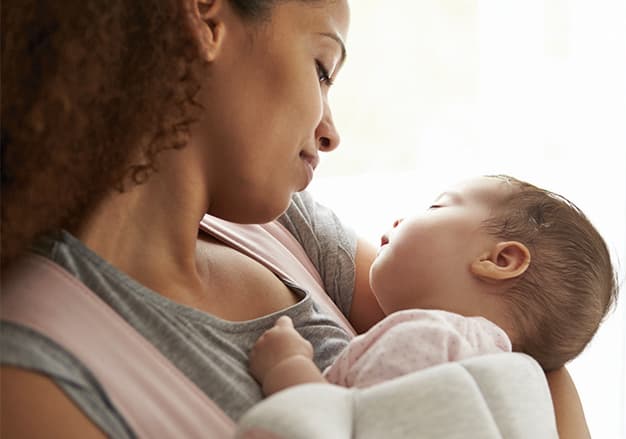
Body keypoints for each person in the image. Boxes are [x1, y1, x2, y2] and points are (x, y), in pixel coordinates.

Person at [0, 1, 592, 438]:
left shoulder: (282, 229)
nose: (331, 132)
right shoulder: (37, 370)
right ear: (207, 18)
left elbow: (520, 334)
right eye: (322, 68)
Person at [251, 175, 618, 393]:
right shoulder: (507, 378)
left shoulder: (430, 344)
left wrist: (287, 368)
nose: (401, 218)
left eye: (437, 208)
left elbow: (335, 426)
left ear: (499, 260)